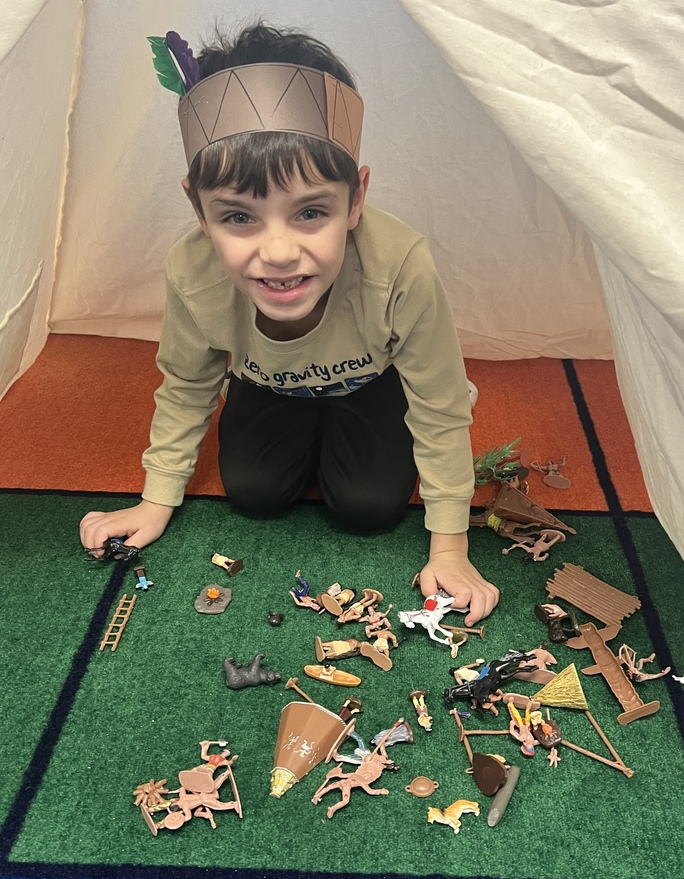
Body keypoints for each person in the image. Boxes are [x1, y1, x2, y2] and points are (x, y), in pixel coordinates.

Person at [79, 21, 499, 626]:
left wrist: (451, 548)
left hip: (371, 385)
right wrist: (154, 501)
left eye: (309, 212)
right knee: (253, 494)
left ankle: (351, 441)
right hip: (267, 383)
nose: (277, 253)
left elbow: (437, 404)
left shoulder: (400, 264)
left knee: (368, 507)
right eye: (238, 218)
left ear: (355, 201)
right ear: (199, 210)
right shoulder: (192, 274)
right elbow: (187, 383)